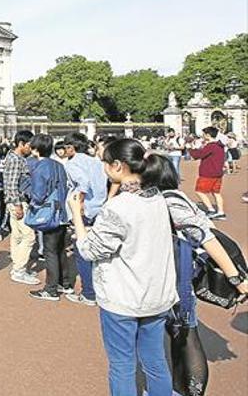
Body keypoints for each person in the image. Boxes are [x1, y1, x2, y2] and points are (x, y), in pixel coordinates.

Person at [69, 138, 178, 396]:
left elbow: (88, 250)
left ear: (118, 166)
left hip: (123, 299)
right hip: (157, 295)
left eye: (105, 163)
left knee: (122, 365)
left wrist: (77, 213)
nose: (103, 168)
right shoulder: (159, 197)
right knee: (155, 361)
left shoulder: (119, 207)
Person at [142, 153, 248, 396]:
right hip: (176, 274)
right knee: (179, 335)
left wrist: (236, 279)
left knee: (186, 336)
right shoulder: (174, 196)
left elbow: (206, 237)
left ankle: (189, 391)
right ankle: (180, 390)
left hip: (177, 279)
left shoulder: (169, 202)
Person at [61, 132, 108, 307]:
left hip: (85, 211)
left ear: (71, 148)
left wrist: (78, 206)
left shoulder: (73, 163)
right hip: (99, 208)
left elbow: (83, 184)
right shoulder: (96, 162)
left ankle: (88, 293)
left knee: (82, 252)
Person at [27, 134, 73, 302]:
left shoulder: (40, 167)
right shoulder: (58, 165)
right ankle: (64, 282)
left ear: (35, 149)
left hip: (49, 212)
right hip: (62, 211)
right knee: (60, 248)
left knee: (50, 251)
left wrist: (32, 200)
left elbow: (38, 194)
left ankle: (51, 288)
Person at [188, 126, 227, 221]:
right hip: (218, 173)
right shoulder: (219, 146)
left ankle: (211, 209)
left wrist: (190, 149)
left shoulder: (211, 146)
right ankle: (220, 212)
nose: (202, 136)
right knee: (216, 193)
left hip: (208, 173)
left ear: (208, 135)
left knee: (199, 191)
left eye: (204, 134)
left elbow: (198, 155)